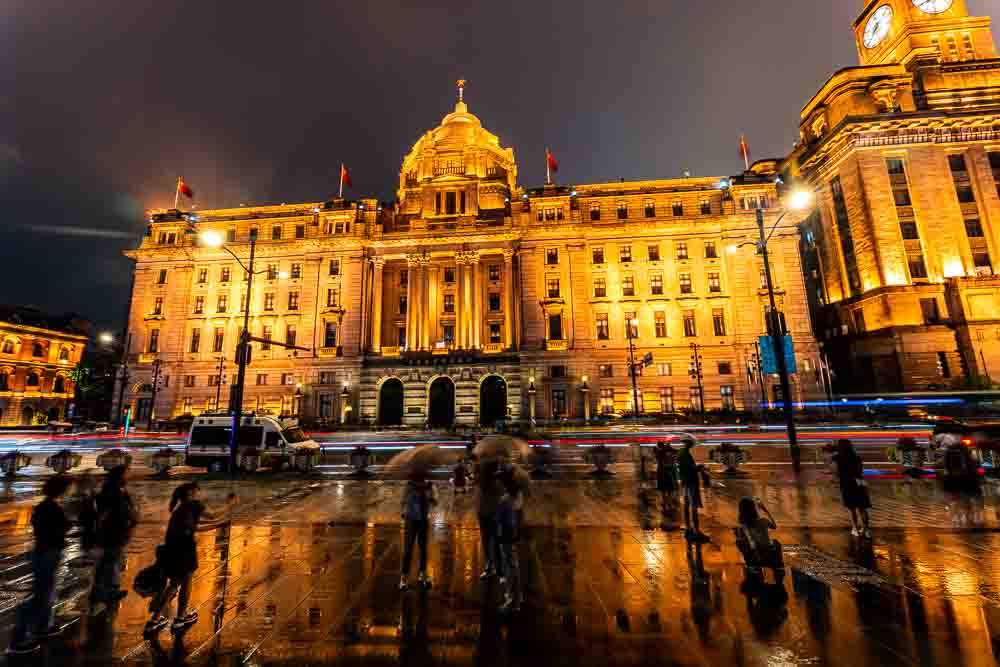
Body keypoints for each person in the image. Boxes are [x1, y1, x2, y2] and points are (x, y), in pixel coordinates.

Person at [145, 482, 236, 635]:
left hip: (173, 549)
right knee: (182, 584)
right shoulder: (194, 505)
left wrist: (218, 523)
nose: (199, 494)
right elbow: (211, 516)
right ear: (191, 493)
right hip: (184, 550)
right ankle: (178, 618)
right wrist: (229, 505)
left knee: (176, 584)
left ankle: (158, 619)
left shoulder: (180, 508)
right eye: (197, 491)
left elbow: (197, 523)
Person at [7, 476, 73, 654]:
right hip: (48, 553)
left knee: (47, 593)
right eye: (68, 488)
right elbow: (57, 529)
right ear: (62, 490)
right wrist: (65, 525)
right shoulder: (52, 508)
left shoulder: (45, 506)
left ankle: (42, 627)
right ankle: (17, 640)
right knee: (40, 596)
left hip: (44, 553)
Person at [92, 465, 137, 605]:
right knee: (111, 561)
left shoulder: (118, 490)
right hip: (113, 532)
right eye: (127, 473)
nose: (129, 475)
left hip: (117, 532)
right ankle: (110, 591)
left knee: (109, 561)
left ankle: (99, 590)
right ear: (120, 475)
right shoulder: (112, 491)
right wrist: (98, 530)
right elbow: (104, 513)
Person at [399, 473, 436, 591]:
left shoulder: (429, 485)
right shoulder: (409, 486)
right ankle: (404, 577)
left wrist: (429, 495)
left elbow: (435, 502)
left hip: (423, 520)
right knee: (408, 549)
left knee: (423, 548)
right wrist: (404, 512)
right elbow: (403, 501)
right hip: (411, 520)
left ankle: (423, 573)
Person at [496, 463, 524, 613]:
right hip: (510, 530)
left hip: (506, 531)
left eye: (501, 478)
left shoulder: (507, 497)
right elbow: (519, 514)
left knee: (510, 565)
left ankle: (511, 599)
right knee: (513, 564)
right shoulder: (515, 494)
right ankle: (517, 597)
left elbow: (507, 517)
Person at [735, 497, 783, 577]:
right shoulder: (763, 521)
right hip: (769, 551)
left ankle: (751, 564)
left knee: (740, 542)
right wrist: (765, 510)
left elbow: (743, 539)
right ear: (754, 509)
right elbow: (774, 526)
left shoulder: (744, 526)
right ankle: (778, 566)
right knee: (776, 542)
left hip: (756, 554)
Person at [833, 439, 871, 538]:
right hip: (859, 483)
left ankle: (855, 529)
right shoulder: (857, 457)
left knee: (851, 508)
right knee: (862, 508)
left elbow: (836, 472)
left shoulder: (837, 458)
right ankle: (866, 530)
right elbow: (860, 471)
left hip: (846, 484)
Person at [476, 458, 503, 579]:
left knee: (489, 541)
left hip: (487, 514)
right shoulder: (494, 481)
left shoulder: (489, 482)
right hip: (489, 513)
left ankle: (492, 567)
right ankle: (496, 568)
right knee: (493, 541)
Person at [677, 438, 706, 539]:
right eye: (691, 443)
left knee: (687, 503)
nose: (692, 445)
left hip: (685, 481)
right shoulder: (685, 454)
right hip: (690, 482)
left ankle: (688, 527)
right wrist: (699, 468)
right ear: (687, 444)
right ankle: (695, 529)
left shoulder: (682, 453)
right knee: (692, 504)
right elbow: (689, 468)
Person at [654, 441, 678, 509]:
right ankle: (669, 502)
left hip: (661, 472)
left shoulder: (659, 452)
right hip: (668, 472)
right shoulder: (665, 451)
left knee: (663, 489)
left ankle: (664, 502)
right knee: (669, 488)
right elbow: (675, 452)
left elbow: (657, 455)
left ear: (659, 446)